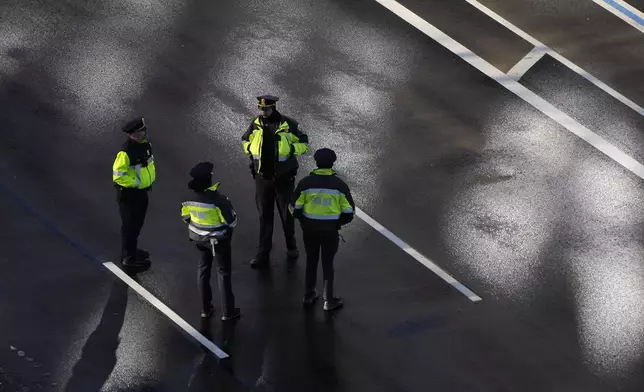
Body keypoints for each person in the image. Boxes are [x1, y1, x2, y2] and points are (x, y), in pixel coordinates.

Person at [241, 95, 309, 269]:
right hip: (262, 178)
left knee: (286, 216)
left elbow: (305, 144)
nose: (263, 112)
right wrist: (249, 149)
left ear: (273, 108)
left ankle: (291, 246)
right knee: (265, 216)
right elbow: (245, 141)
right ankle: (262, 253)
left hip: (283, 179)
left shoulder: (289, 125)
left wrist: (292, 148)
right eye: (261, 109)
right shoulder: (255, 124)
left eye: (266, 109)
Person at [289, 148, 355, 311]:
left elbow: (293, 208)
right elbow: (349, 212)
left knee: (311, 261)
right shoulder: (339, 185)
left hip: (309, 230)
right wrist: (337, 223)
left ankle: (309, 294)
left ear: (316, 162)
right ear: (333, 163)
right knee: (327, 263)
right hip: (330, 232)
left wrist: (304, 220)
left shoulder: (305, 183)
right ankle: (329, 299)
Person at [181, 161, 240, 321]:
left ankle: (205, 309)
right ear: (208, 180)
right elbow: (231, 221)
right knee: (223, 273)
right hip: (218, 241)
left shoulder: (187, 198)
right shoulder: (218, 200)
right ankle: (228, 312)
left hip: (199, 239)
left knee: (203, 271)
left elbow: (186, 217)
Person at [112, 117, 155, 269]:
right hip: (130, 195)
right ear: (133, 134)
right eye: (139, 132)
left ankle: (132, 251)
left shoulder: (145, 145)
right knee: (129, 226)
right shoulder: (125, 152)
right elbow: (118, 176)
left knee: (137, 225)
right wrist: (137, 184)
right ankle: (129, 258)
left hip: (141, 192)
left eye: (143, 130)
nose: (143, 133)